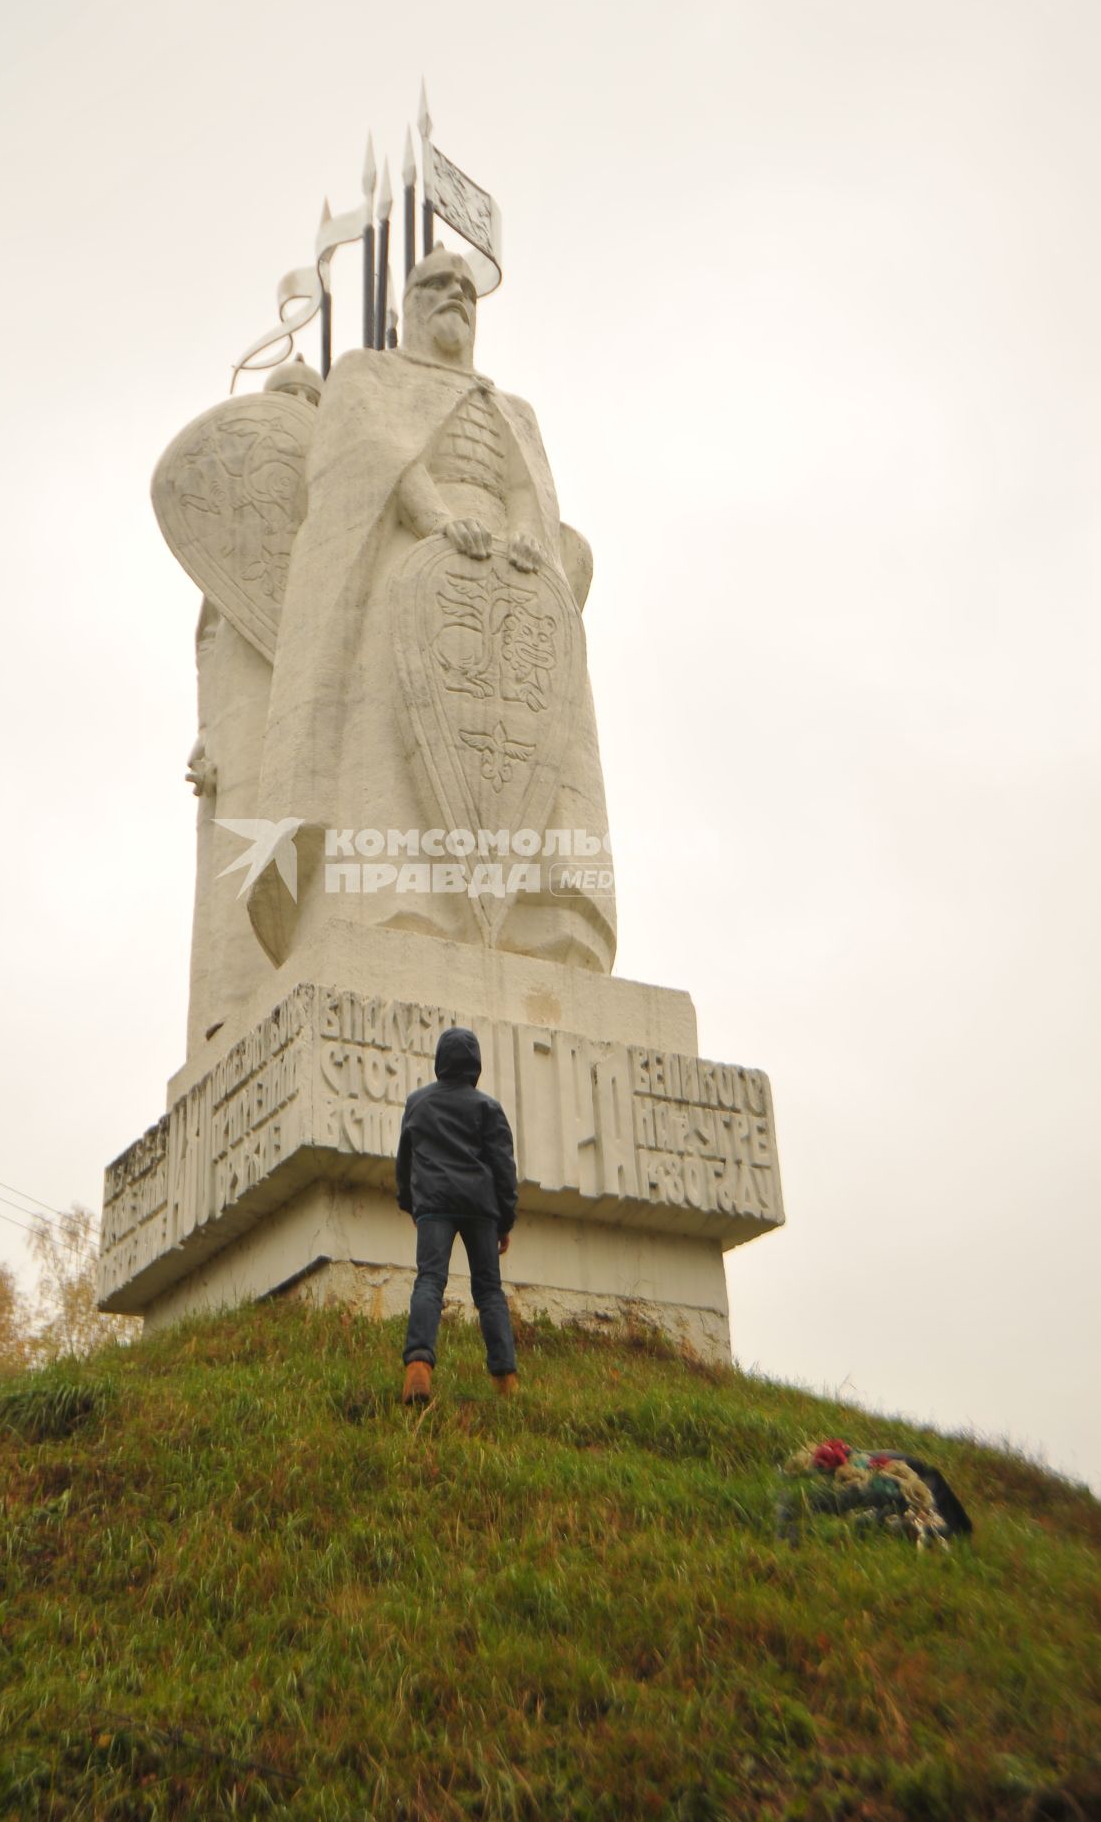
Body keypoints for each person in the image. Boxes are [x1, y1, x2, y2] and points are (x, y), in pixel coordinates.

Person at [248, 245, 616, 975]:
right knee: (391, 736)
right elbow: (371, 452)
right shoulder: (367, 374)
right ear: (407, 304)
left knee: (526, 744)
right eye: (436, 284)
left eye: (465, 289)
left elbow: (526, 490)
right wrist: (438, 517)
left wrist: (520, 537)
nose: (454, 294)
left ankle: (543, 927)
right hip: (407, 571)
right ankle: (400, 905)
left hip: (510, 584)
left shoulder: (510, 409)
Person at [397, 1027, 519, 1402]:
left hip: (435, 1205)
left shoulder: (417, 1103)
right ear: (475, 1065)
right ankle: (505, 1380)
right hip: (481, 1209)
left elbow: (405, 1162)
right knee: (488, 1292)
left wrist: (412, 1204)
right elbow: (503, 1167)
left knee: (430, 1282)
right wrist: (506, 1219)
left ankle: (418, 1368)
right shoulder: (488, 1107)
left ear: (440, 1062)